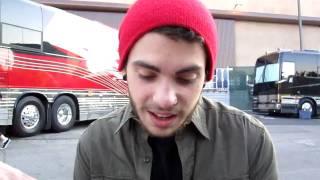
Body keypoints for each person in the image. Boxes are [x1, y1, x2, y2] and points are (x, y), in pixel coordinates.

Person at [74, 0, 278, 179]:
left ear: (206, 76)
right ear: (124, 68)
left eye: (186, 79)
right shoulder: (95, 144)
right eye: (147, 75)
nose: (165, 99)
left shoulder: (249, 140)